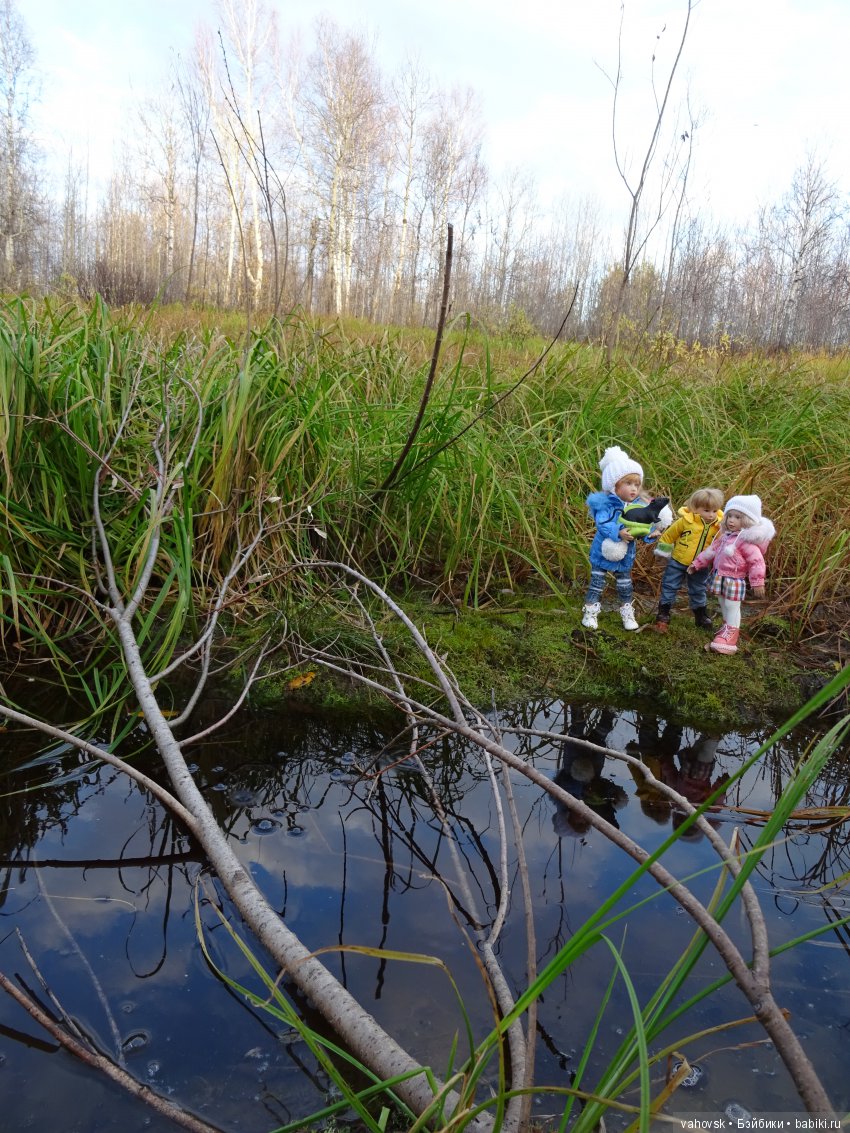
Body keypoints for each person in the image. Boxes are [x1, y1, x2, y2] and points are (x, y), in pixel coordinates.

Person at [687, 493, 775, 655]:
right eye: (730, 516)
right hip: (721, 575)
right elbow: (711, 551)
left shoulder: (745, 541)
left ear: (748, 520)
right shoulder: (726, 537)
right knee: (722, 603)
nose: (731, 521)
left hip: (734, 579)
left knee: (732, 606)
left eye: (738, 517)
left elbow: (757, 562)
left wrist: (757, 582)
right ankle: (726, 628)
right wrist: (697, 563)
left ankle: (731, 635)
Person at [581, 445, 647, 631]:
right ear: (614, 485)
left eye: (637, 484)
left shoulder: (637, 507)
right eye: (628, 483)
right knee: (597, 582)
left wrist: (648, 534)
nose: (634, 488)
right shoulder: (605, 505)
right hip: (603, 552)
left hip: (625, 554)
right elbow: (603, 524)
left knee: (625, 584)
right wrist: (618, 532)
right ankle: (590, 613)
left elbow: (642, 525)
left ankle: (627, 613)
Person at [649, 488, 725, 633]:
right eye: (707, 510)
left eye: (715, 511)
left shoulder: (718, 527)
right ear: (695, 508)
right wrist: (663, 554)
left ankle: (700, 615)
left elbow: (721, 543)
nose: (711, 514)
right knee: (670, 585)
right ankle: (663, 613)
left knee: (698, 589)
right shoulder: (685, 522)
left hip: (701, 565)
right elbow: (668, 536)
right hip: (678, 560)